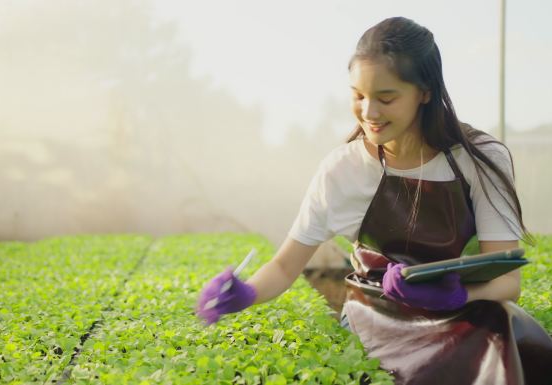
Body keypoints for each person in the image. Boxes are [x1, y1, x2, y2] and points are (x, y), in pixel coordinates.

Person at [196, 17, 552, 385]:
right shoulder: (342, 170)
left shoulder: (480, 158)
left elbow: (508, 281)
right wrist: (247, 292)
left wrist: (459, 294)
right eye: (358, 96)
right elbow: (286, 267)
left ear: (425, 92)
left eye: (386, 98)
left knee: (506, 343)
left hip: (459, 309)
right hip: (376, 315)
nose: (368, 113)